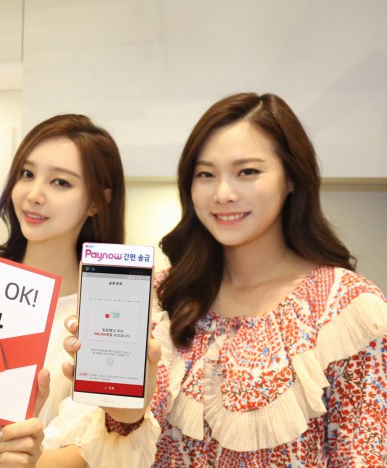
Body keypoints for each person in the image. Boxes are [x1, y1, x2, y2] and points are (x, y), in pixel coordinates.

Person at [49, 92, 387, 467]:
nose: (223, 194)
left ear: (291, 177)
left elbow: (364, 454)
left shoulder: (347, 308)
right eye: (206, 175)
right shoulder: (161, 296)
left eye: (247, 172)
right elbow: (121, 450)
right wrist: (125, 411)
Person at [0, 113, 126, 467]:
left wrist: (11, 452)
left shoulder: (102, 317)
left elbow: (89, 449)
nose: (33, 195)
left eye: (60, 182)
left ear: (97, 201)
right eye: (27, 174)